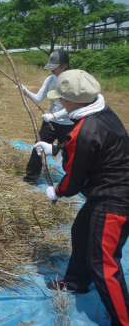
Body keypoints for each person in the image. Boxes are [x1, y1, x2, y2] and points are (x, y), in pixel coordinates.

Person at [34, 69, 129, 325]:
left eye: (62, 98)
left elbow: (74, 177)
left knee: (105, 265)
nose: (60, 102)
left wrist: (57, 192)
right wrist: (55, 148)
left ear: (74, 101)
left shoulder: (85, 130)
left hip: (115, 200)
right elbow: (91, 152)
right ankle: (76, 281)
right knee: (81, 231)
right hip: (104, 193)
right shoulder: (103, 112)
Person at [20, 50, 75, 184]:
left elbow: (72, 107)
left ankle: (73, 182)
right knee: (38, 148)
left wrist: (53, 115)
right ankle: (30, 178)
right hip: (51, 122)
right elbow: (39, 98)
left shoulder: (73, 81)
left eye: (54, 67)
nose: (51, 70)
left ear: (64, 65)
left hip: (68, 124)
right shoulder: (50, 79)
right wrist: (25, 91)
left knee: (69, 153)